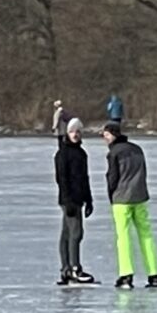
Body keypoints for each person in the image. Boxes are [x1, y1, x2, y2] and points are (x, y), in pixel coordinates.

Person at [103, 122, 157, 289]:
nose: (104, 139)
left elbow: (112, 177)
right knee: (146, 234)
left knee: (123, 237)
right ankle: (154, 273)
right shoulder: (137, 149)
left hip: (121, 199)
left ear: (112, 135)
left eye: (105, 135)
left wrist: (111, 195)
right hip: (140, 196)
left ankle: (126, 275)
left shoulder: (114, 152)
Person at [55, 118, 95, 284]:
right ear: (67, 133)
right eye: (72, 131)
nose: (75, 134)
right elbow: (61, 179)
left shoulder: (81, 153)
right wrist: (68, 201)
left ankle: (66, 269)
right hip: (69, 200)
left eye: (78, 131)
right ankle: (74, 268)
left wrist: (89, 200)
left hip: (79, 199)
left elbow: (84, 178)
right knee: (76, 233)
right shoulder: (63, 154)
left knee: (67, 234)